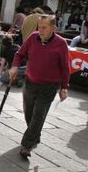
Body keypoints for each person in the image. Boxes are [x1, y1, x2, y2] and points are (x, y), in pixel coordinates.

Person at [9, 15, 70, 159]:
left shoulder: (61, 44)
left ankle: (26, 145)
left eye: (44, 27)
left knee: (38, 116)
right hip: (30, 82)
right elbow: (20, 54)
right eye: (39, 27)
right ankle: (35, 134)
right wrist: (15, 66)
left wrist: (64, 87)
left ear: (53, 28)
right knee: (28, 114)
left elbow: (65, 68)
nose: (40, 30)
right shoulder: (33, 37)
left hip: (48, 87)